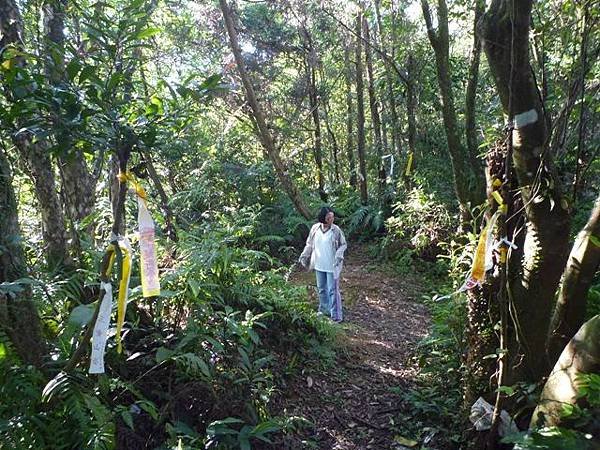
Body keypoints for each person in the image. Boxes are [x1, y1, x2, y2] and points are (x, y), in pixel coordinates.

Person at [299, 206, 347, 322]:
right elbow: (309, 244)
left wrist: (339, 255)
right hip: (319, 264)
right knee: (321, 289)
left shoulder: (336, 230)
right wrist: (304, 255)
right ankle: (324, 309)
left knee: (333, 290)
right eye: (329, 217)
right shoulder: (315, 228)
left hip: (332, 266)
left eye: (332, 217)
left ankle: (336, 315)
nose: (332, 219)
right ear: (323, 218)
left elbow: (343, 244)